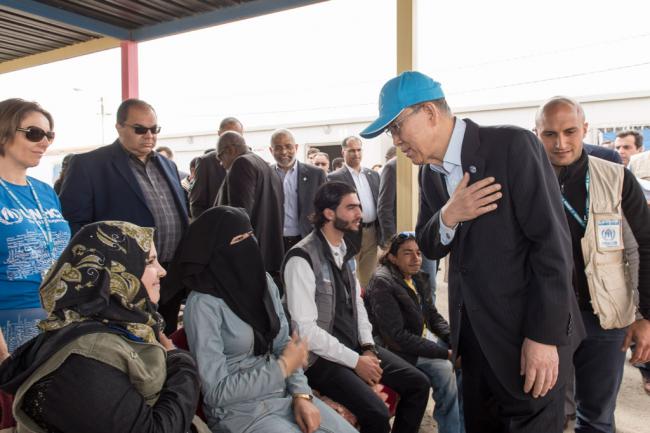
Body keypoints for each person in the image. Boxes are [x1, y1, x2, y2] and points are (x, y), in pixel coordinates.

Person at [360, 71, 583, 433]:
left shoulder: (511, 146)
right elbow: (428, 243)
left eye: (397, 127)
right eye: (391, 133)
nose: (396, 140)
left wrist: (544, 337)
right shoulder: (429, 173)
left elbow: (552, 247)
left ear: (429, 113)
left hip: (527, 338)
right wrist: (449, 215)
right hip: (476, 347)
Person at [0, 221, 201, 433]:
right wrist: (181, 364)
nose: (162, 271)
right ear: (116, 272)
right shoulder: (85, 361)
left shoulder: (126, 326)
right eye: (149, 261)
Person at [177, 207, 357, 433]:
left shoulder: (262, 281)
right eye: (239, 239)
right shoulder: (203, 304)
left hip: (284, 395)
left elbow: (284, 344)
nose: (250, 244)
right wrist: (281, 368)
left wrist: (301, 394)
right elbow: (216, 392)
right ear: (217, 248)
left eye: (251, 235)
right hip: (240, 412)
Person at [535, 96, 650, 432]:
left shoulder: (617, 178)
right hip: (545, 320)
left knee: (597, 418)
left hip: (606, 320)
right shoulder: (524, 179)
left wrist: (645, 315)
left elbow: (646, 244)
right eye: (550, 134)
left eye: (570, 131)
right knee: (542, 414)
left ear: (585, 129)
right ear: (536, 133)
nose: (561, 143)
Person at [284, 181, 430, 433]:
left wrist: (368, 348)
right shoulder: (301, 258)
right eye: (351, 207)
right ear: (329, 213)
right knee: (376, 413)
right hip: (318, 359)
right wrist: (355, 361)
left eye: (359, 207)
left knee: (418, 383)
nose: (360, 214)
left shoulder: (345, 249)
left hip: (352, 346)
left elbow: (358, 304)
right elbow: (305, 332)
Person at [59, 98, 189, 334]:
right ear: (119, 127)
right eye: (140, 129)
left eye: (154, 129)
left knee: (165, 337)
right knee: (130, 341)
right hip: (123, 282)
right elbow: (74, 225)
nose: (149, 136)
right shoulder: (89, 165)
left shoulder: (167, 165)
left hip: (169, 276)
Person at [365, 232, 463, 433]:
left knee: (464, 356)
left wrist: (454, 340)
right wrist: (445, 353)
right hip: (392, 348)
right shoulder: (383, 282)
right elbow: (396, 337)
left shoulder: (416, 277)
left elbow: (432, 316)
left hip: (417, 338)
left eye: (418, 253)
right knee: (444, 369)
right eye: (407, 253)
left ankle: (460, 424)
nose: (416, 258)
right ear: (392, 257)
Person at [0, 98, 71, 353]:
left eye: (49, 135)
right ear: (3, 133)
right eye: (34, 133)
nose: (44, 142)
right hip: (10, 323)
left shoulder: (45, 191)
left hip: (58, 317)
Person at [215, 131, 285, 277]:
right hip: (270, 255)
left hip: (250, 258)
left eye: (220, 157)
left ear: (231, 150)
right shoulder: (265, 166)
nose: (221, 163)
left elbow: (239, 217)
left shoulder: (241, 163)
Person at [328, 137, 380, 288]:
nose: (356, 154)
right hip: (348, 234)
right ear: (343, 152)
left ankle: (367, 302)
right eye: (351, 150)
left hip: (372, 234)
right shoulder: (334, 178)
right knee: (350, 279)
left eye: (358, 150)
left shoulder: (373, 175)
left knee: (369, 280)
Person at [269, 129, 326, 252]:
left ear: (296, 147)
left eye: (288, 146)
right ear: (271, 150)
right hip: (274, 241)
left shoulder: (316, 174)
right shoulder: (265, 174)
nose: (284, 152)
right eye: (278, 148)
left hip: (307, 239)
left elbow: (325, 208)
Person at [189, 117, 242, 219]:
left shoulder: (250, 162)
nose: (232, 141)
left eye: (237, 136)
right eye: (227, 135)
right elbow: (196, 205)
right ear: (219, 134)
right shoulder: (205, 162)